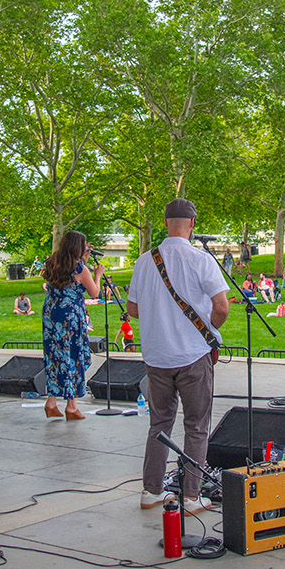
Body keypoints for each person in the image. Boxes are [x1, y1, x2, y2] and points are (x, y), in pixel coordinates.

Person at [126, 198, 227, 516]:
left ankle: (151, 490)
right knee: (196, 425)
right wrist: (209, 328)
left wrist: (159, 316)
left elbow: (133, 310)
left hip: (157, 356)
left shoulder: (145, 261)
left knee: (159, 423)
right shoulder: (201, 259)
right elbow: (222, 307)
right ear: (192, 224)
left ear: (165, 223)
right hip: (193, 354)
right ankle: (192, 496)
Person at [40, 231, 104, 420]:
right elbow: (94, 293)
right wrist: (97, 275)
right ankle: (71, 406)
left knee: (54, 356)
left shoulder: (52, 262)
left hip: (51, 314)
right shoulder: (80, 269)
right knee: (72, 356)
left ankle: (51, 402)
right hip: (70, 317)